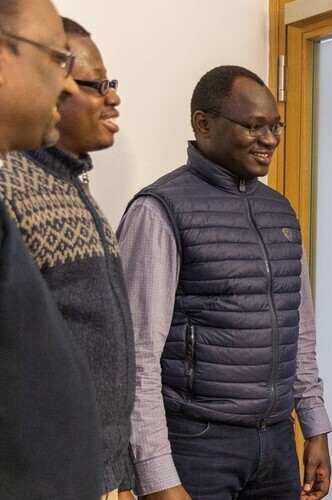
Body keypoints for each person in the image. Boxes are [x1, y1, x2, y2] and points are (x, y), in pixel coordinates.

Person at [119, 65, 332, 500]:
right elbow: (136, 356)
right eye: (254, 126)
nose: (270, 139)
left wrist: (315, 424)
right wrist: (156, 474)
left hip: (276, 442)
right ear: (203, 123)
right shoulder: (158, 210)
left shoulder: (280, 212)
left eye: (276, 126)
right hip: (196, 446)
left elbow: (300, 333)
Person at [0, 17, 135, 499]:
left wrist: (120, 474)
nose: (113, 98)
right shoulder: (10, 183)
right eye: (96, 84)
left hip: (99, 473)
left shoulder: (74, 186)